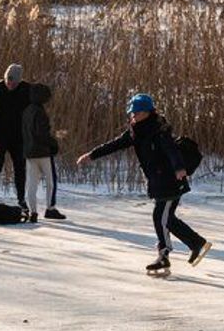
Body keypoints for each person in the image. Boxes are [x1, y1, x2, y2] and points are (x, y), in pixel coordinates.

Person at [77, 93, 211, 277]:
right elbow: (114, 145)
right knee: (164, 218)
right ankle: (196, 244)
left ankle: (166, 254)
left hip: (172, 181)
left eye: (138, 112)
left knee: (162, 218)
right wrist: (91, 155)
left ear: (148, 112)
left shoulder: (159, 129)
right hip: (158, 182)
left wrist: (179, 168)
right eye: (133, 112)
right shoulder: (135, 131)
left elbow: (172, 150)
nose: (134, 116)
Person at [0, 63, 31, 211]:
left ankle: (21, 199)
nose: (10, 84)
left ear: (19, 81)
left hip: (18, 138)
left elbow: (33, 113)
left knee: (20, 168)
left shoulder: (26, 89)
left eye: (13, 82)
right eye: (8, 81)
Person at [20, 82, 65, 222]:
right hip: (43, 153)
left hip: (29, 153)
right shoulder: (40, 112)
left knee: (32, 184)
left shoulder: (26, 111)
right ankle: (50, 209)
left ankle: (33, 212)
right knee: (51, 182)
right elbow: (41, 134)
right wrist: (54, 144)